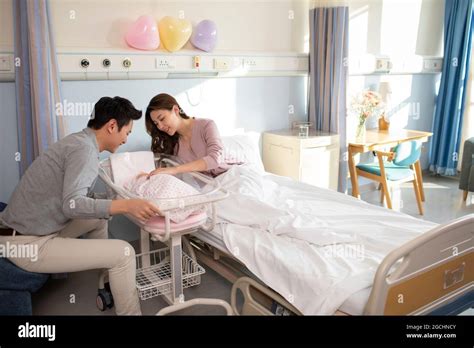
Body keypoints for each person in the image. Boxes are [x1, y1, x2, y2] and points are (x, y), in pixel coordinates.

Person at [0, 96, 161, 315]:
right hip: (29, 245)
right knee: (124, 253)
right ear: (112, 126)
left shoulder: (78, 141)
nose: (126, 139)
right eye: (127, 132)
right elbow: (72, 206)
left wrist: (113, 200)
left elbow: (73, 195)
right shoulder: (84, 151)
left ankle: (108, 282)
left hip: (23, 230)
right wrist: (125, 205)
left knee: (98, 217)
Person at [144, 93, 230, 178]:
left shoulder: (206, 125)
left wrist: (175, 169)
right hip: (207, 185)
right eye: (156, 123)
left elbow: (215, 159)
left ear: (176, 110)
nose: (160, 127)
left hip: (228, 174)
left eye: (162, 119)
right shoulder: (172, 144)